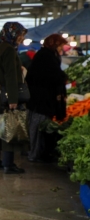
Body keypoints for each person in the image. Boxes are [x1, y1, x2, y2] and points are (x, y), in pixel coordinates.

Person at [0, 22, 29, 174]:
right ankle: (8, 164)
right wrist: (13, 99)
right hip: (8, 95)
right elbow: (11, 76)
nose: (21, 38)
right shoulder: (9, 50)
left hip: (1, 93)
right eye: (20, 34)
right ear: (13, 34)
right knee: (10, 127)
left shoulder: (1, 47)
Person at [25, 34, 68, 163]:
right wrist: (64, 77)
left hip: (40, 98)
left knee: (38, 127)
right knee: (38, 127)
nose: (62, 48)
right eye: (60, 45)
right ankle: (36, 153)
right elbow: (52, 75)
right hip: (41, 99)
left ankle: (37, 152)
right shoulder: (46, 56)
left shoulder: (47, 54)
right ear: (54, 44)